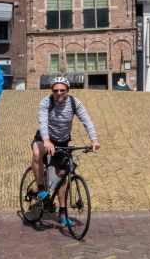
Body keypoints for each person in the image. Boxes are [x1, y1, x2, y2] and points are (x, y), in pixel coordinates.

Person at [31, 76, 99, 227]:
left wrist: (94, 139)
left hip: (62, 141)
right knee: (37, 153)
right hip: (45, 138)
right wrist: (47, 140)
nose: (59, 93)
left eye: (62, 90)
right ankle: (41, 187)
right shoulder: (45, 102)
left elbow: (86, 120)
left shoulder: (75, 103)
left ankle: (62, 212)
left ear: (68, 90)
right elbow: (43, 122)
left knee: (63, 177)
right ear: (52, 91)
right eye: (56, 90)